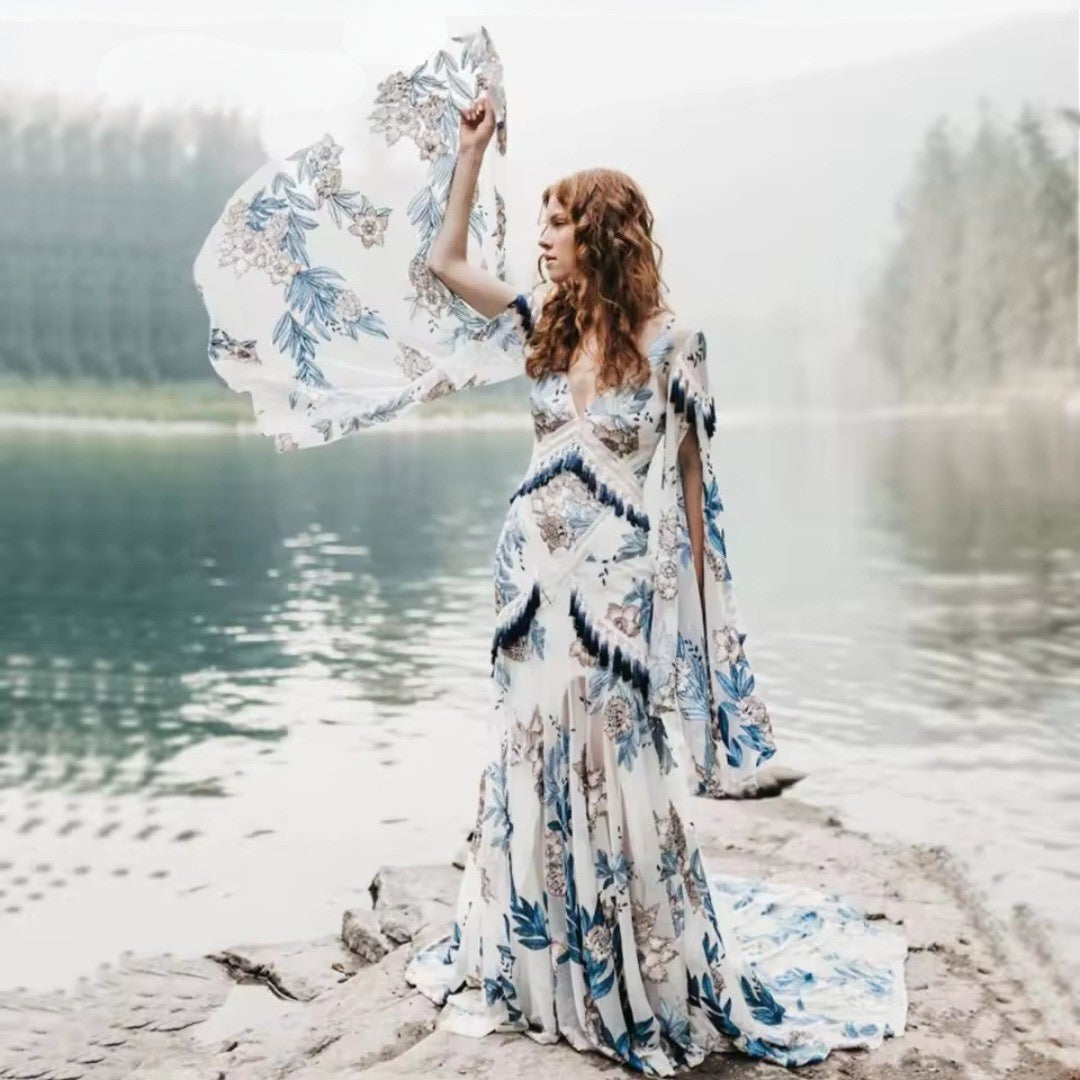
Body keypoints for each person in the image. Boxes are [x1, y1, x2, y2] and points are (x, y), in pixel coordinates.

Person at [192, 25, 907, 1076]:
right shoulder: (542, 322)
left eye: (560, 223)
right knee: (527, 747)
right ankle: (538, 963)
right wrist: (472, 151)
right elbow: (440, 267)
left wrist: (698, 638)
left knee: (616, 752)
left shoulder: (676, 344)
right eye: (542, 223)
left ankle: (630, 967)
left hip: (615, 586)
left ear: (605, 232)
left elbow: (698, 508)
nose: (544, 240)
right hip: (527, 571)